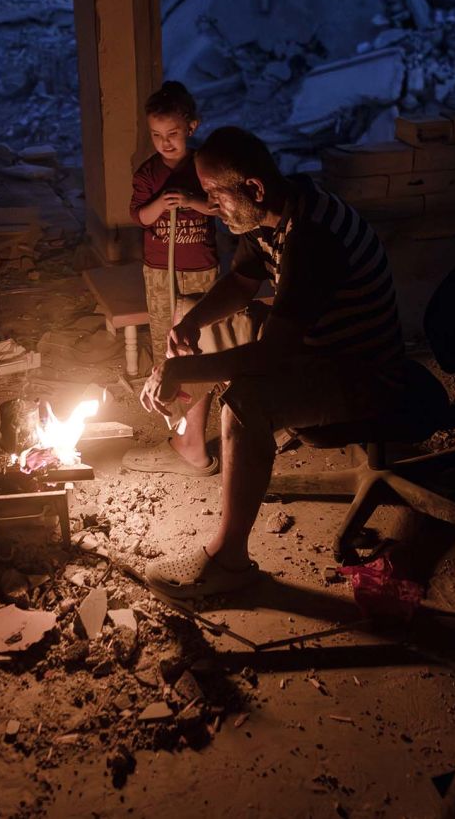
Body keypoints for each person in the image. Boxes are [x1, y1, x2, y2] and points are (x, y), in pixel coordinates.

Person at [140, 127, 407, 598]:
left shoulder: (312, 237)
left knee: (245, 404)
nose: (211, 207)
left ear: (253, 189)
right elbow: (243, 282)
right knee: (192, 317)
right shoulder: (271, 212)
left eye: (215, 197)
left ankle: (230, 562)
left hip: (361, 372)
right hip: (313, 346)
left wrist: (182, 369)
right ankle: (189, 439)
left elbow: (271, 356)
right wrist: (189, 327)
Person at [121, 81, 222, 475]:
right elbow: (138, 217)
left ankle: (191, 441)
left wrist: (192, 202)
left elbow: (219, 207)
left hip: (200, 270)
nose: (165, 143)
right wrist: (159, 204)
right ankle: (182, 430)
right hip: (161, 274)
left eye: (174, 134)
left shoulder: (203, 166)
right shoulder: (148, 173)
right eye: (157, 136)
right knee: (169, 345)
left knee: (196, 346)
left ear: (192, 127)